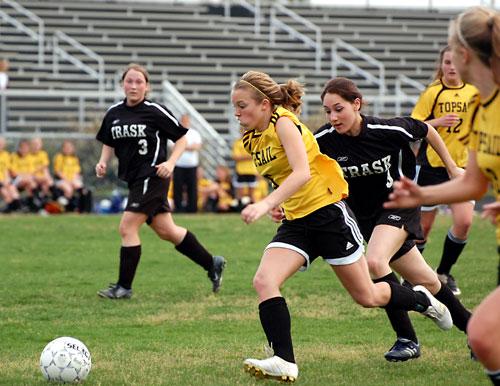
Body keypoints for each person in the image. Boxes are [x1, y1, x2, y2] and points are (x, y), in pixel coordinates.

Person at [232, 70, 452, 383]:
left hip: (328, 216)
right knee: (264, 281)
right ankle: (284, 360)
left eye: (242, 106)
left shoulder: (284, 122)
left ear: (265, 104)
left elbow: (302, 173)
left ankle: (421, 300)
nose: (237, 113)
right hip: (297, 222)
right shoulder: (250, 138)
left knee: (367, 296)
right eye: (235, 108)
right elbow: (282, 177)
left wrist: (265, 203)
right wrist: (279, 203)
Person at [314, 77, 472, 362]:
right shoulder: (324, 141)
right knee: (427, 279)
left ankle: (406, 338)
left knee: (375, 261)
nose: (333, 117)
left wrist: (451, 168)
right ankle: (476, 333)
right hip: (365, 219)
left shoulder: (385, 129)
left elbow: (425, 130)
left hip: (401, 204)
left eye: (339, 109)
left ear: (357, 104)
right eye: (327, 111)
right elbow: (300, 164)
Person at [385, 6, 500, 385]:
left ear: (465, 55)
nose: (447, 60)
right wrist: (420, 192)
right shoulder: (482, 107)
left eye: (452, 50)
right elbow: (474, 182)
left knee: (484, 336)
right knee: (483, 337)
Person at [95, 63, 225, 298]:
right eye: (129, 81)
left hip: (152, 176)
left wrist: (170, 163)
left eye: (139, 82)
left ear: (147, 87)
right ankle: (212, 264)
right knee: (167, 230)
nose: (133, 85)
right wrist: (103, 161)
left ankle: (124, 287)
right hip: (135, 179)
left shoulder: (154, 110)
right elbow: (108, 140)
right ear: (122, 84)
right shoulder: (114, 112)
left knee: (127, 227)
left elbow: (182, 138)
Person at [410, 46, 479, 295]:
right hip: (432, 168)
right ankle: (413, 276)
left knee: (464, 222)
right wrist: (437, 123)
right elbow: (413, 125)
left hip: (462, 169)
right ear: (441, 64)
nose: (452, 67)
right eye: (447, 62)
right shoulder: (433, 92)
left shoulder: (474, 92)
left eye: (456, 62)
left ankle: (443, 273)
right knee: (422, 229)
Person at [173, 114, 202, 213]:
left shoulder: (194, 133)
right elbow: (173, 147)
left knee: (192, 188)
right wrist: (188, 147)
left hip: (192, 165)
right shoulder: (176, 132)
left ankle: (192, 208)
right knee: (177, 188)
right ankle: (178, 208)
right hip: (179, 164)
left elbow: (197, 147)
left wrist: (182, 147)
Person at [53, 140, 92, 212]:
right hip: (62, 180)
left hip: (72, 180)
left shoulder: (75, 158)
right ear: (63, 148)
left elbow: (77, 171)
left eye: (70, 147)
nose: (68, 149)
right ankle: (67, 209)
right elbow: (58, 171)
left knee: (81, 187)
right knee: (68, 189)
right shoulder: (59, 157)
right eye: (66, 147)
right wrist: (68, 180)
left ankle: (82, 208)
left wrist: (73, 179)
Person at [10, 139, 39, 211]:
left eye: (26, 148)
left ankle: (32, 205)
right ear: (19, 148)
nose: (24, 150)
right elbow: (13, 173)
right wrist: (23, 176)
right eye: (22, 148)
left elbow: (32, 172)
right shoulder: (14, 156)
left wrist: (25, 176)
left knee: (31, 184)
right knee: (31, 183)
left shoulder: (30, 157)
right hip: (16, 180)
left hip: (27, 179)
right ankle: (37, 201)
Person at [232, 126, 258, 205]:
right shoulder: (237, 142)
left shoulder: (253, 142)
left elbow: (255, 154)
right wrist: (248, 156)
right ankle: (240, 208)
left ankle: (252, 208)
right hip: (241, 170)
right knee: (240, 192)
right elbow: (236, 157)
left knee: (251, 193)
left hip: (251, 170)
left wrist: (242, 156)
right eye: (242, 130)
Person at [30, 137, 54, 204]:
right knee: (33, 184)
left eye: (37, 144)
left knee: (47, 183)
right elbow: (29, 171)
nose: (36, 146)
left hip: (42, 178)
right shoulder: (28, 155)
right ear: (31, 145)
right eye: (34, 144)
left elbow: (45, 167)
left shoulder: (43, 154)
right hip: (32, 178)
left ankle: (44, 203)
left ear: (41, 145)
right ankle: (38, 202)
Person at [0, 137, 20, 212]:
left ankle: (15, 209)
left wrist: (7, 180)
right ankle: (10, 209)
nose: (0, 145)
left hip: (4, 180)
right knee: (4, 192)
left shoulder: (6, 155)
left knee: (13, 190)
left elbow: (6, 170)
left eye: (1, 144)